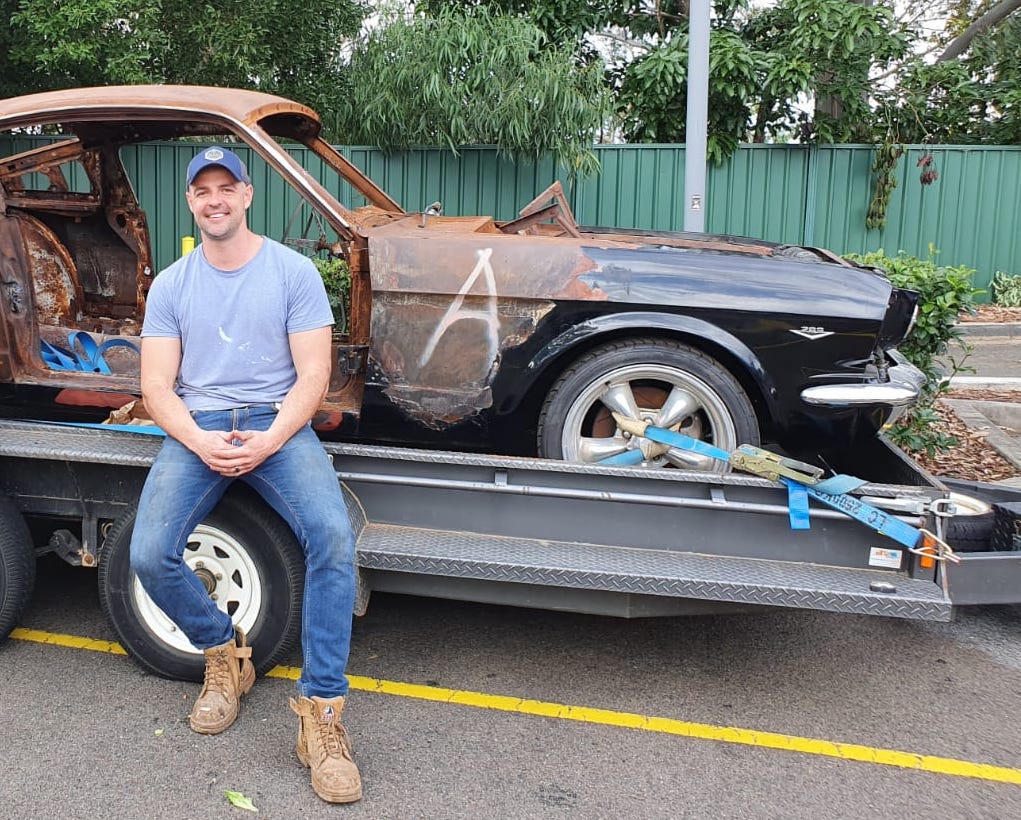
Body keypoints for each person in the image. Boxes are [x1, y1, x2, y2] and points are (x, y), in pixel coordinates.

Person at [130, 146, 361, 804]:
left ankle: (320, 716)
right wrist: (201, 439)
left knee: (332, 539)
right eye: (201, 190)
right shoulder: (173, 284)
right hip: (198, 422)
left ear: (247, 194)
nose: (214, 199)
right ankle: (223, 652)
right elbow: (156, 386)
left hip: (278, 424)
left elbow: (314, 376)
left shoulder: (290, 274)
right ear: (191, 202)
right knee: (149, 552)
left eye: (225, 186)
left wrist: (267, 440)